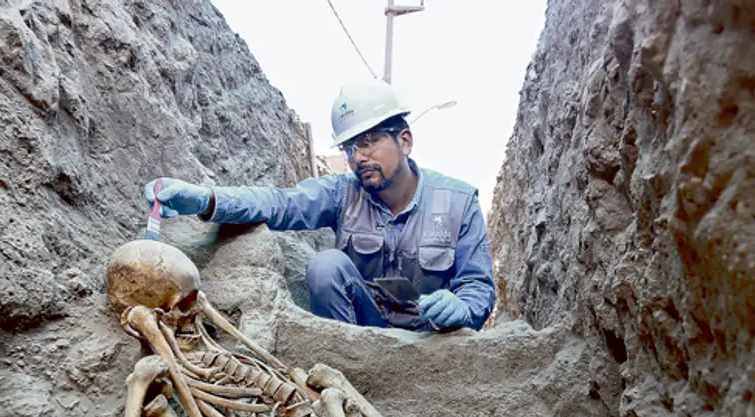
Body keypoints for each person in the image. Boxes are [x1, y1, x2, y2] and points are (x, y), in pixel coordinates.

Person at [146, 79, 495, 332]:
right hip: (364, 333)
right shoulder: (343, 193)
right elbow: (279, 203)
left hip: (431, 338)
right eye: (349, 148)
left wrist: (462, 308)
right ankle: (349, 379)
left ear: (404, 140)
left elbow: (478, 288)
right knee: (326, 265)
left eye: (369, 142)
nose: (358, 157)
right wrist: (207, 199)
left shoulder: (458, 202)